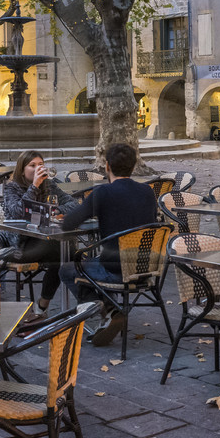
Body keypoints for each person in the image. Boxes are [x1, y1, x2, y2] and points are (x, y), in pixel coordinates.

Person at [61, 142, 157, 345]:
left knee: (68, 269)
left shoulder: (103, 193)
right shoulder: (148, 192)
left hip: (116, 268)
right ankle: (112, 310)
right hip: (147, 267)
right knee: (94, 260)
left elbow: (69, 223)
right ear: (133, 166)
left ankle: (108, 312)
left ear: (107, 166)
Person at [0, 151, 76, 311]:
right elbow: (19, 211)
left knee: (66, 252)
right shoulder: (11, 188)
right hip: (20, 246)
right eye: (32, 165)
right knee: (62, 251)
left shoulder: (48, 184)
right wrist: (34, 186)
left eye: (40, 165)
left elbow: (73, 203)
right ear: (22, 169)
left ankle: (44, 305)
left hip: (44, 240)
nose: (38, 168)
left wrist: (55, 211)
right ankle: (90, 304)